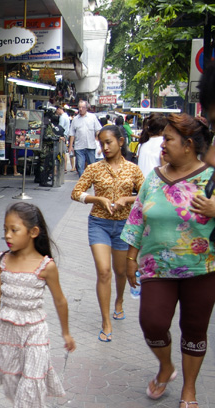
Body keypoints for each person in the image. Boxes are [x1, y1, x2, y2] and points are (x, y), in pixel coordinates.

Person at [122, 113, 215, 408]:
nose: (162, 146)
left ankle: (189, 387)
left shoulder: (211, 177)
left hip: (201, 268)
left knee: (194, 329)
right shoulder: (155, 176)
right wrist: (131, 257)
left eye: (168, 140)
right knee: (152, 322)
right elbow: (137, 217)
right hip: (156, 267)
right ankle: (166, 367)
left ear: (188, 145)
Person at [0, 202, 75, 408]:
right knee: (15, 383)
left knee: (33, 387)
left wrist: (66, 333)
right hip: (8, 334)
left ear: (33, 232)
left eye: (14, 230)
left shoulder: (45, 266)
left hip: (35, 334)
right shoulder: (2, 260)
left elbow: (60, 300)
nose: (7, 235)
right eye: (5, 230)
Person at [71, 125, 145, 342]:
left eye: (108, 142)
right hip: (99, 224)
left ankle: (119, 301)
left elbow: (147, 195)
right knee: (104, 272)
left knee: (120, 271)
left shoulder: (133, 169)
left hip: (124, 226)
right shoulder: (94, 168)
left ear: (121, 142)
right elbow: (76, 193)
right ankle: (106, 321)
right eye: (101, 143)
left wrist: (126, 200)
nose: (104, 147)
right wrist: (98, 199)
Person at [69, 100, 102, 177]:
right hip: (79, 147)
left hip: (90, 146)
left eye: (82, 107)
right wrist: (70, 146)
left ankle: (90, 181)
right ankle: (83, 182)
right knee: (80, 166)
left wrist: (101, 143)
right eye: (79, 107)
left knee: (92, 166)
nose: (80, 109)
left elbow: (98, 130)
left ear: (86, 108)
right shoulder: (75, 119)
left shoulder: (92, 117)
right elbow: (72, 134)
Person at [137, 113, 167, 178]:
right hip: (155, 183)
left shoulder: (142, 144)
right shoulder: (164, 142)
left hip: (142, 184)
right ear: (162, 130)